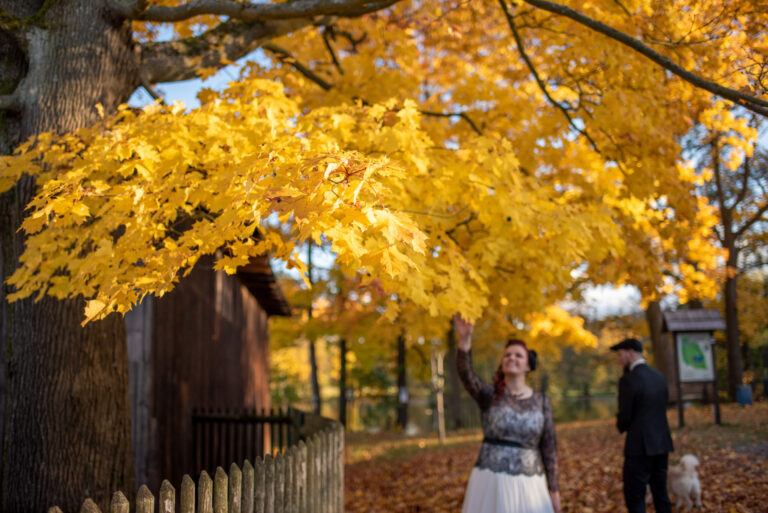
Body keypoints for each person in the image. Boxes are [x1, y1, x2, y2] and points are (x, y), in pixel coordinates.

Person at [454, 315, 561, 513]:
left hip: (530, 485)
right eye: (507, 355)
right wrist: (465, 339)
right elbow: (466, 373)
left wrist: (554, 492)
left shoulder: (541, 401)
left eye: (518, 355)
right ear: (502, 362)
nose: (512, 358)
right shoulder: (489, 395)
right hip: (491, 480)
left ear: (528, 365)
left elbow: (549, 448)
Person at [611, 337, 674, 513]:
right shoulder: (659, 376)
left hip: (639, 447)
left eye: (620, 354)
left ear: (631, 353)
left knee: (635, 497)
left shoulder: (629, 380)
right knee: (661, 494)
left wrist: (621, 424)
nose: (618, 359)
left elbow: (625, 416)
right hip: (662, 443)